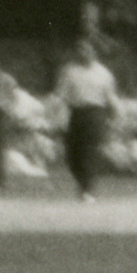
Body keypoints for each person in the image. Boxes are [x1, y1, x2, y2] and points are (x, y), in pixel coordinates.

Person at [53, 27, 117, 199]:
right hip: (76, 114)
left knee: (90, 151)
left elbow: (111, 98)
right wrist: (54, 110)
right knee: (72, 154)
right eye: (79, 49)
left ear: (94, 52)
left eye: (86, 49)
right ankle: (83, 184)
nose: (82, 52)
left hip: (96, 114)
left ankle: (88, 190)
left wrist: (114, 116)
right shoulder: (69, 71)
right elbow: (61, 94)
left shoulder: (104, 73)